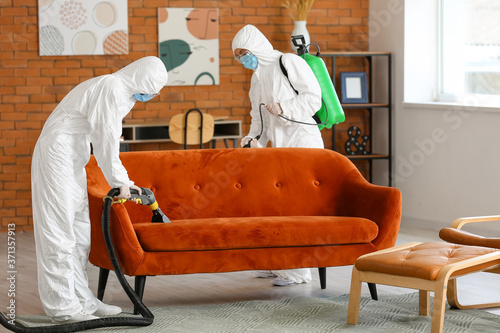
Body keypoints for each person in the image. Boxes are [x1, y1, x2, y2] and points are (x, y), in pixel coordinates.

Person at [31, 56, 168, 323]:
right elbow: (105, 138)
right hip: (57, 156)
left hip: (72, 159)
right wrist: (121, 182)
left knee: (80, 233)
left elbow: (104, 135)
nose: (150, 96)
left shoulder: (122, 93)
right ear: (142, 80)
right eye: (151, 90)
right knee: (59, 233)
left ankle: (83, 300)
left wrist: (121, 181)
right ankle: (63, 307)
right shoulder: (111, 87)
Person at [232, 25, 324, 286]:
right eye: (238, 56)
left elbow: (313, 98)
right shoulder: (257, 77)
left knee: (298, 209)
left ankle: (298, 272)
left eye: (244, 53)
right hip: (279, 148)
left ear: (257, 47)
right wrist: (253, 139)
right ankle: (276, 264)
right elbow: (258, 115)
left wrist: (285, 106)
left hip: (303, 143)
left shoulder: (288, 62)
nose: (242, 59)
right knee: (274, 206)